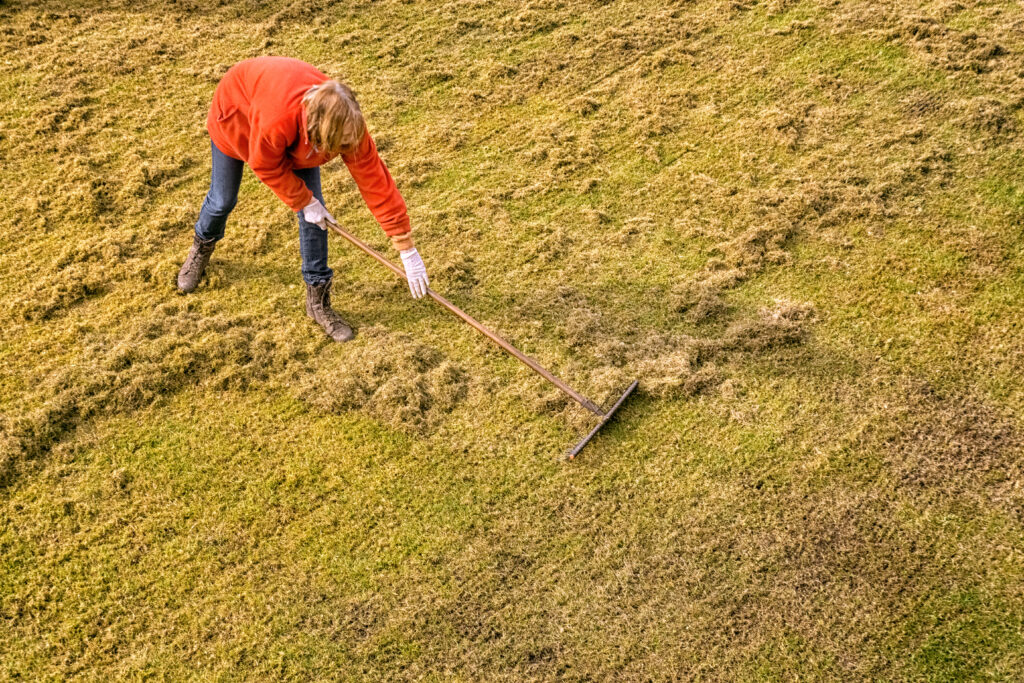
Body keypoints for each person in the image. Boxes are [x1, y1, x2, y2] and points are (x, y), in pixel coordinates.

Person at [176, 56, 429, 343]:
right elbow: (265, 164)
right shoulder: (278, 118)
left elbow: (375, 182)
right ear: (322, 130)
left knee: (316, 220)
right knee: (223, 200)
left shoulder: (348, 125)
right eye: (342, 143)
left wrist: (405, 247)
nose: (349, 147)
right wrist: (302, 201)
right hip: (237, 117)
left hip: (297, 138)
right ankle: (201, 246)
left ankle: (318, 302)